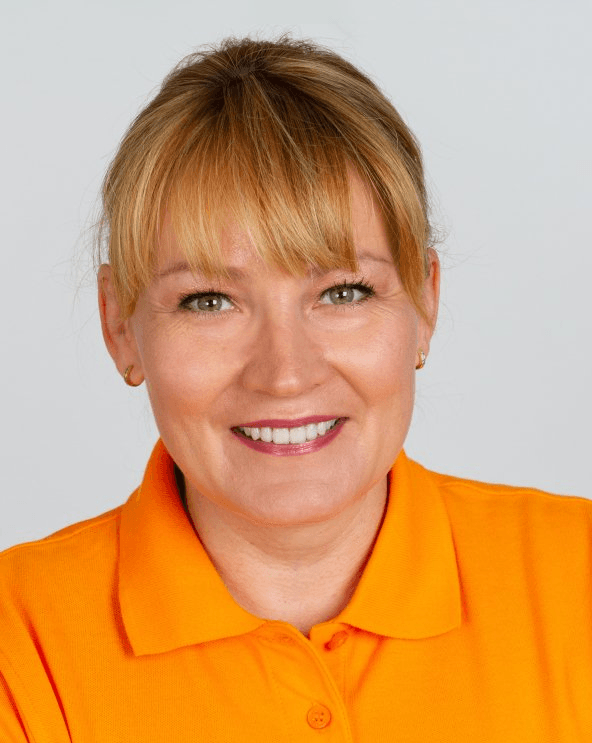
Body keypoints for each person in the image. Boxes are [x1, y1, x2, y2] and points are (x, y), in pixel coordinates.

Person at [1, 35, 590, 743]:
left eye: (343, 291)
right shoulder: (19, 643)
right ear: (119, 326)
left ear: (426, 302)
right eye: (209, 301)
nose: (285, 372)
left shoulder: (577, 582)